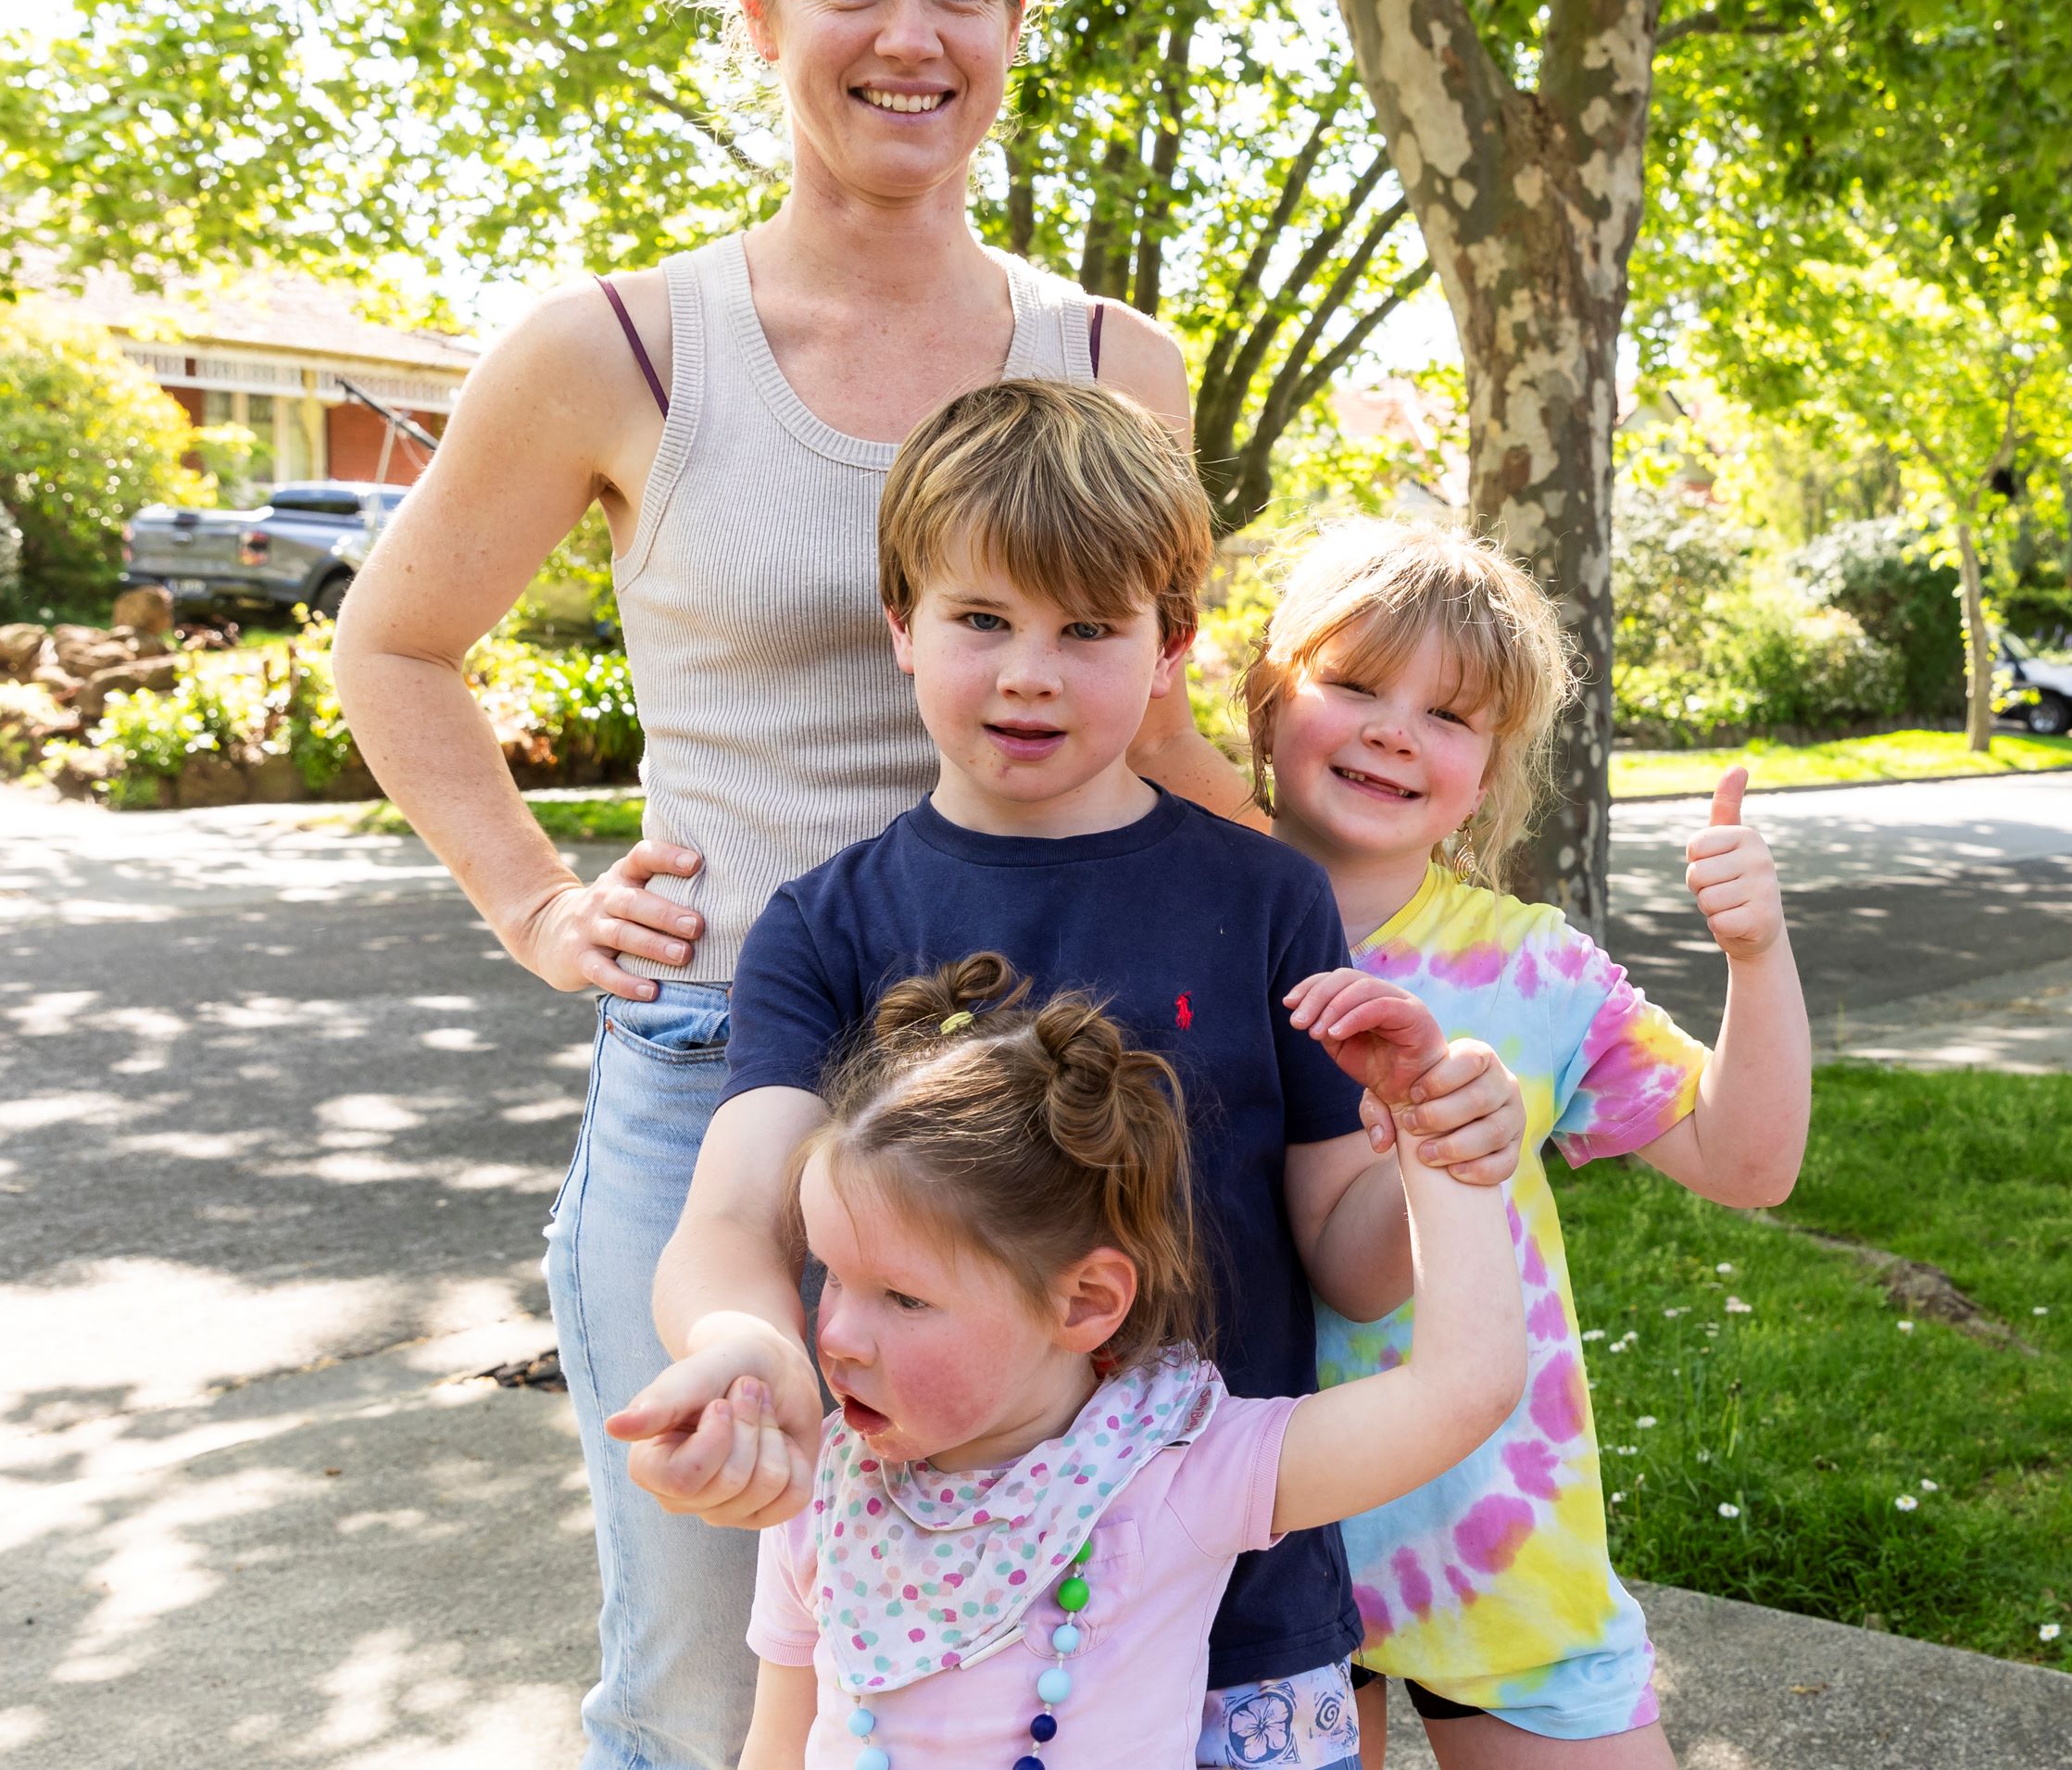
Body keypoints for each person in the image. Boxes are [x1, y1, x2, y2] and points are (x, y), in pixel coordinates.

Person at [333, 0, 1266, 1769]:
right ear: (759, 16)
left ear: (1016, 16)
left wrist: (1382, 920)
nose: (906, 36)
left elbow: (1163, 714)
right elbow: (393, 646)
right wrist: (533, 898)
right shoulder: (616, 347)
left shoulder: (1118, 355)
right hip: (722, 1066)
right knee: (708, 1670)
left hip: (1063, 1095)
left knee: (1046, 1676)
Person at [609, 381, 1527, 1768]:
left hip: (1238, 1601)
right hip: (934, 1611)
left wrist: (1426, 1139)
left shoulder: (1270, 898)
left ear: (1168, 648)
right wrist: (742, 1348)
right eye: (982, 619)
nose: (1028, 671)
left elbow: (1348, 1256)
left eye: (1086, 628)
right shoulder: (825, 922)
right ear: (900, 628)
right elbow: (738, 1217)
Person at [1240, 519, 1815, 1766]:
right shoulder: (1184, 919)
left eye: (1448, 714)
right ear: (1262, 701)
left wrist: (1756, 955)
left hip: (1496, 1537)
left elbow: (1748, 1160)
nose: (1394, 728)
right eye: (1350, 684)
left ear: (1491, 770)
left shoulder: (1533, 965)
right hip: (1249, 1554)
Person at [740, 951, 1527, 1770]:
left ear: (1082, 1303)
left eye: (903, 1298)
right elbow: (774, 1743)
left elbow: (1460, 1391)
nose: (832, 1336)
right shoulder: (816, 1487)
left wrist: (1436, 1127)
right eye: (832, 1275)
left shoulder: (1173, 1473)